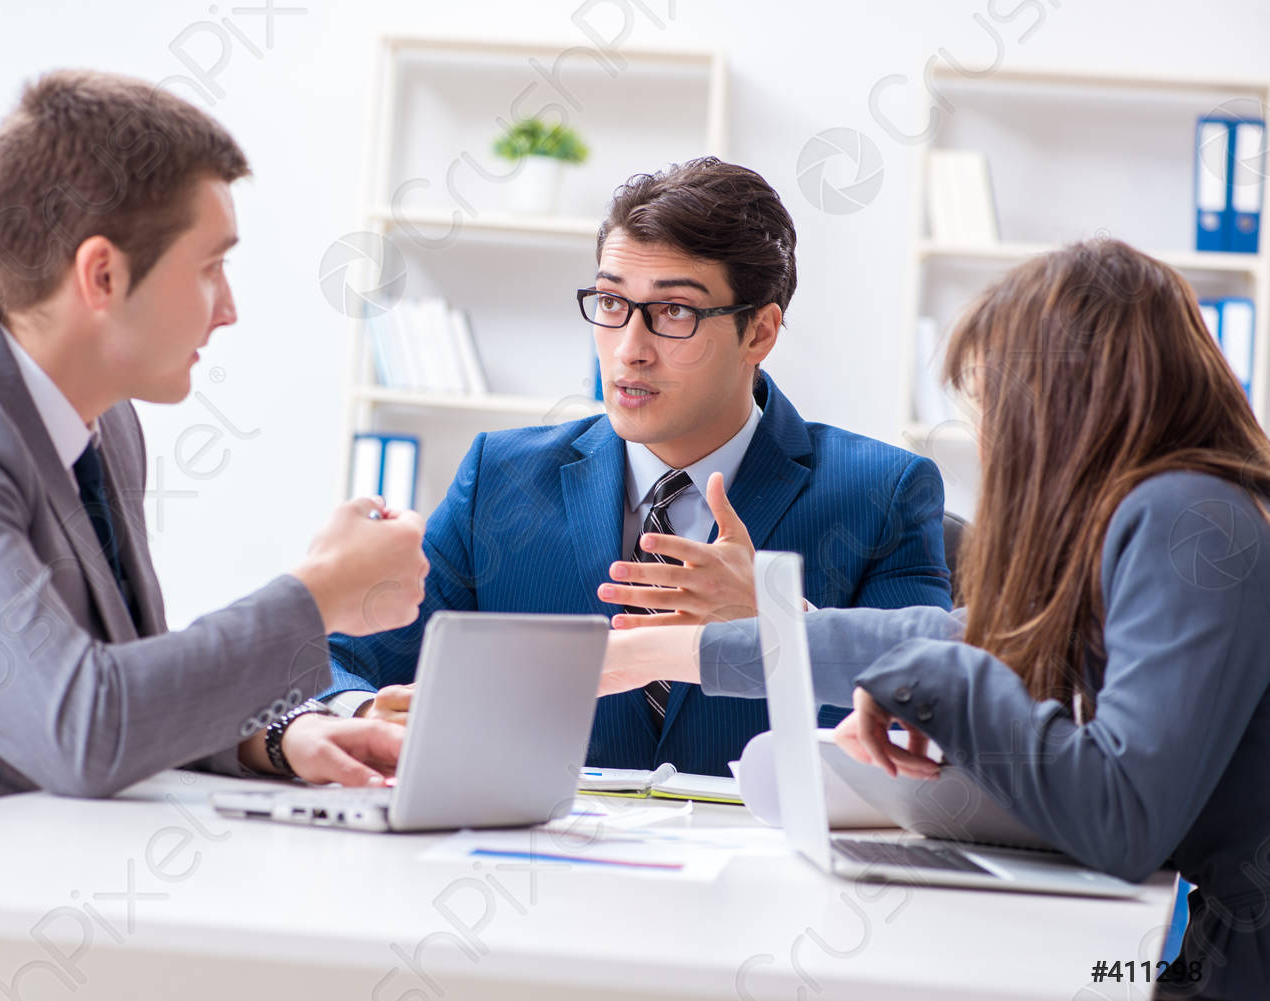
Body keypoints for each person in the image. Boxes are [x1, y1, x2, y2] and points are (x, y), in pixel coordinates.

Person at [601, 238, 1270, 1000]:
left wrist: (935, 680)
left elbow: (1122, 817)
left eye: (996, 411)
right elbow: (943, 637)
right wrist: (670, 650)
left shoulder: (1187, 517)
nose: (993, 445)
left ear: (1070, 404)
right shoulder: (1186, 507)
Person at [0, 70, 431, 837]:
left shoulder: (103, 418)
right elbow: (83, 728)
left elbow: (117, 677)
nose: (230, 308)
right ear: (103, 275)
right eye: (212, 266)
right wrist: (317, 593)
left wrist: (275, 737)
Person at [317, 158, 952, 776]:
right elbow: (336, 663)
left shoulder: (883, 492)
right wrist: (371, 713)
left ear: (758, 333)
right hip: (538, 853)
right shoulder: (500, 477)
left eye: (675, 311)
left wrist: (781, 627)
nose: (629, 350)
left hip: (770, 872)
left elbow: (927, 725)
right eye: (611, 302)